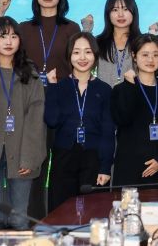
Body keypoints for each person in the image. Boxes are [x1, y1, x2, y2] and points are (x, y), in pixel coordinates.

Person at [0, 0, 84, 218]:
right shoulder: (24, 28)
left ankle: (61, 223)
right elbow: (0, 48)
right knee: (32, 169)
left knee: (62, 170)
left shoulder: (71, 28)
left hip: (63, 107)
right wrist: (1, 14)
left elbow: (79, 64)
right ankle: (32, 223)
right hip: (29, 108)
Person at [0, 17, 46, 237]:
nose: (8, 41)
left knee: (19, 219)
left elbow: (36, 119)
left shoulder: (31, 75)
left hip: (21, 153)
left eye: (13, 36)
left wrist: (29, 157)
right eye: (3, 36)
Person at [44, 32, 115, 211]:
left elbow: (108, 132)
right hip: (63, 159)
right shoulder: (59, 87)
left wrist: (105, 167)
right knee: (61, 214)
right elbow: (51, 120)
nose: (82, 57)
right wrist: (51, 87)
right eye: (76, 52)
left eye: (88, 52)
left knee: (93, 215)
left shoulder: (104, 90)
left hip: (94, 161)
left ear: (95, 55)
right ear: (69, 56)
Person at [111, 35, 158, 187]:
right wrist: (130, 86)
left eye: (155, 55)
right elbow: (122, 119)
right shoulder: (121, 89)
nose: (150, 60)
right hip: (130, 169)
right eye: (145, 55)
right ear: (134, 56)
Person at [96, 0, 141, 87]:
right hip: (104, 96)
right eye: (115, 10)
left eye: (125, 9)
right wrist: (87, 30)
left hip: (133, 95)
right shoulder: (99, 42)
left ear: (133, 11)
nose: (120, 14)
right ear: (108, 14)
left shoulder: (141, 42)